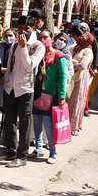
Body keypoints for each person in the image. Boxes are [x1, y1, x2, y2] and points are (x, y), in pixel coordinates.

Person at [0, 15, 45, 168]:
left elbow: (30, 67)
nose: (22, 32)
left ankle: (22, 156)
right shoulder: (15, 45)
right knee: (9, 121)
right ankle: (10, 151)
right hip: (11, 89)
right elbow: (10, 67)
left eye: (26, 29)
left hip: (26, 90)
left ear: (33, 28)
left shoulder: (38, 46)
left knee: (24, 123)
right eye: (20, 29)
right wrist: (7, 83)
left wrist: (23, 47)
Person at [30, 30, 67, 164]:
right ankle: (38, 148)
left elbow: (64, 77)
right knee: (37, 124)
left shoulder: (59, 56)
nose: (43, 39)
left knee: (48, 126)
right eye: (40, 38)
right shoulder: (37, 55)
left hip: (51, 96)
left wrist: (62, 96)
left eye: (45, 37)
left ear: (51, 39)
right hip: (37, 94)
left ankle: (53, 152)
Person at [66, 26, 93, 134]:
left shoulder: (88, 51)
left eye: (83, 38)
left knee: (76, 101)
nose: (80, 39)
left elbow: (82, 65)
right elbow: (66, 54)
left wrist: (71, 62)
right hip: (71, 76)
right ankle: (65, 123)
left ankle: (73, 126)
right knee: (67, 99)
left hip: (80, 78)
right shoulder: (75, 47)